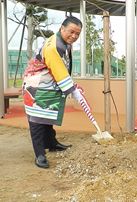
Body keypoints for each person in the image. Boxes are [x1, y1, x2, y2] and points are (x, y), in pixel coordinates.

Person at [22, 16, 86, 169]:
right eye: (71, 32)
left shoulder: (65, 43)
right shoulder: (53, 46)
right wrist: (72, 90)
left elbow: (63, 68)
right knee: (37, 120)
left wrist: (72, 86)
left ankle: (51, 143)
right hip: (36, 85)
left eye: (77, 33)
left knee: (48, 116)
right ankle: (39, 154)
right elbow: (59, 70)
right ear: (61, 29)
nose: (74, 36)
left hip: (49, 83)